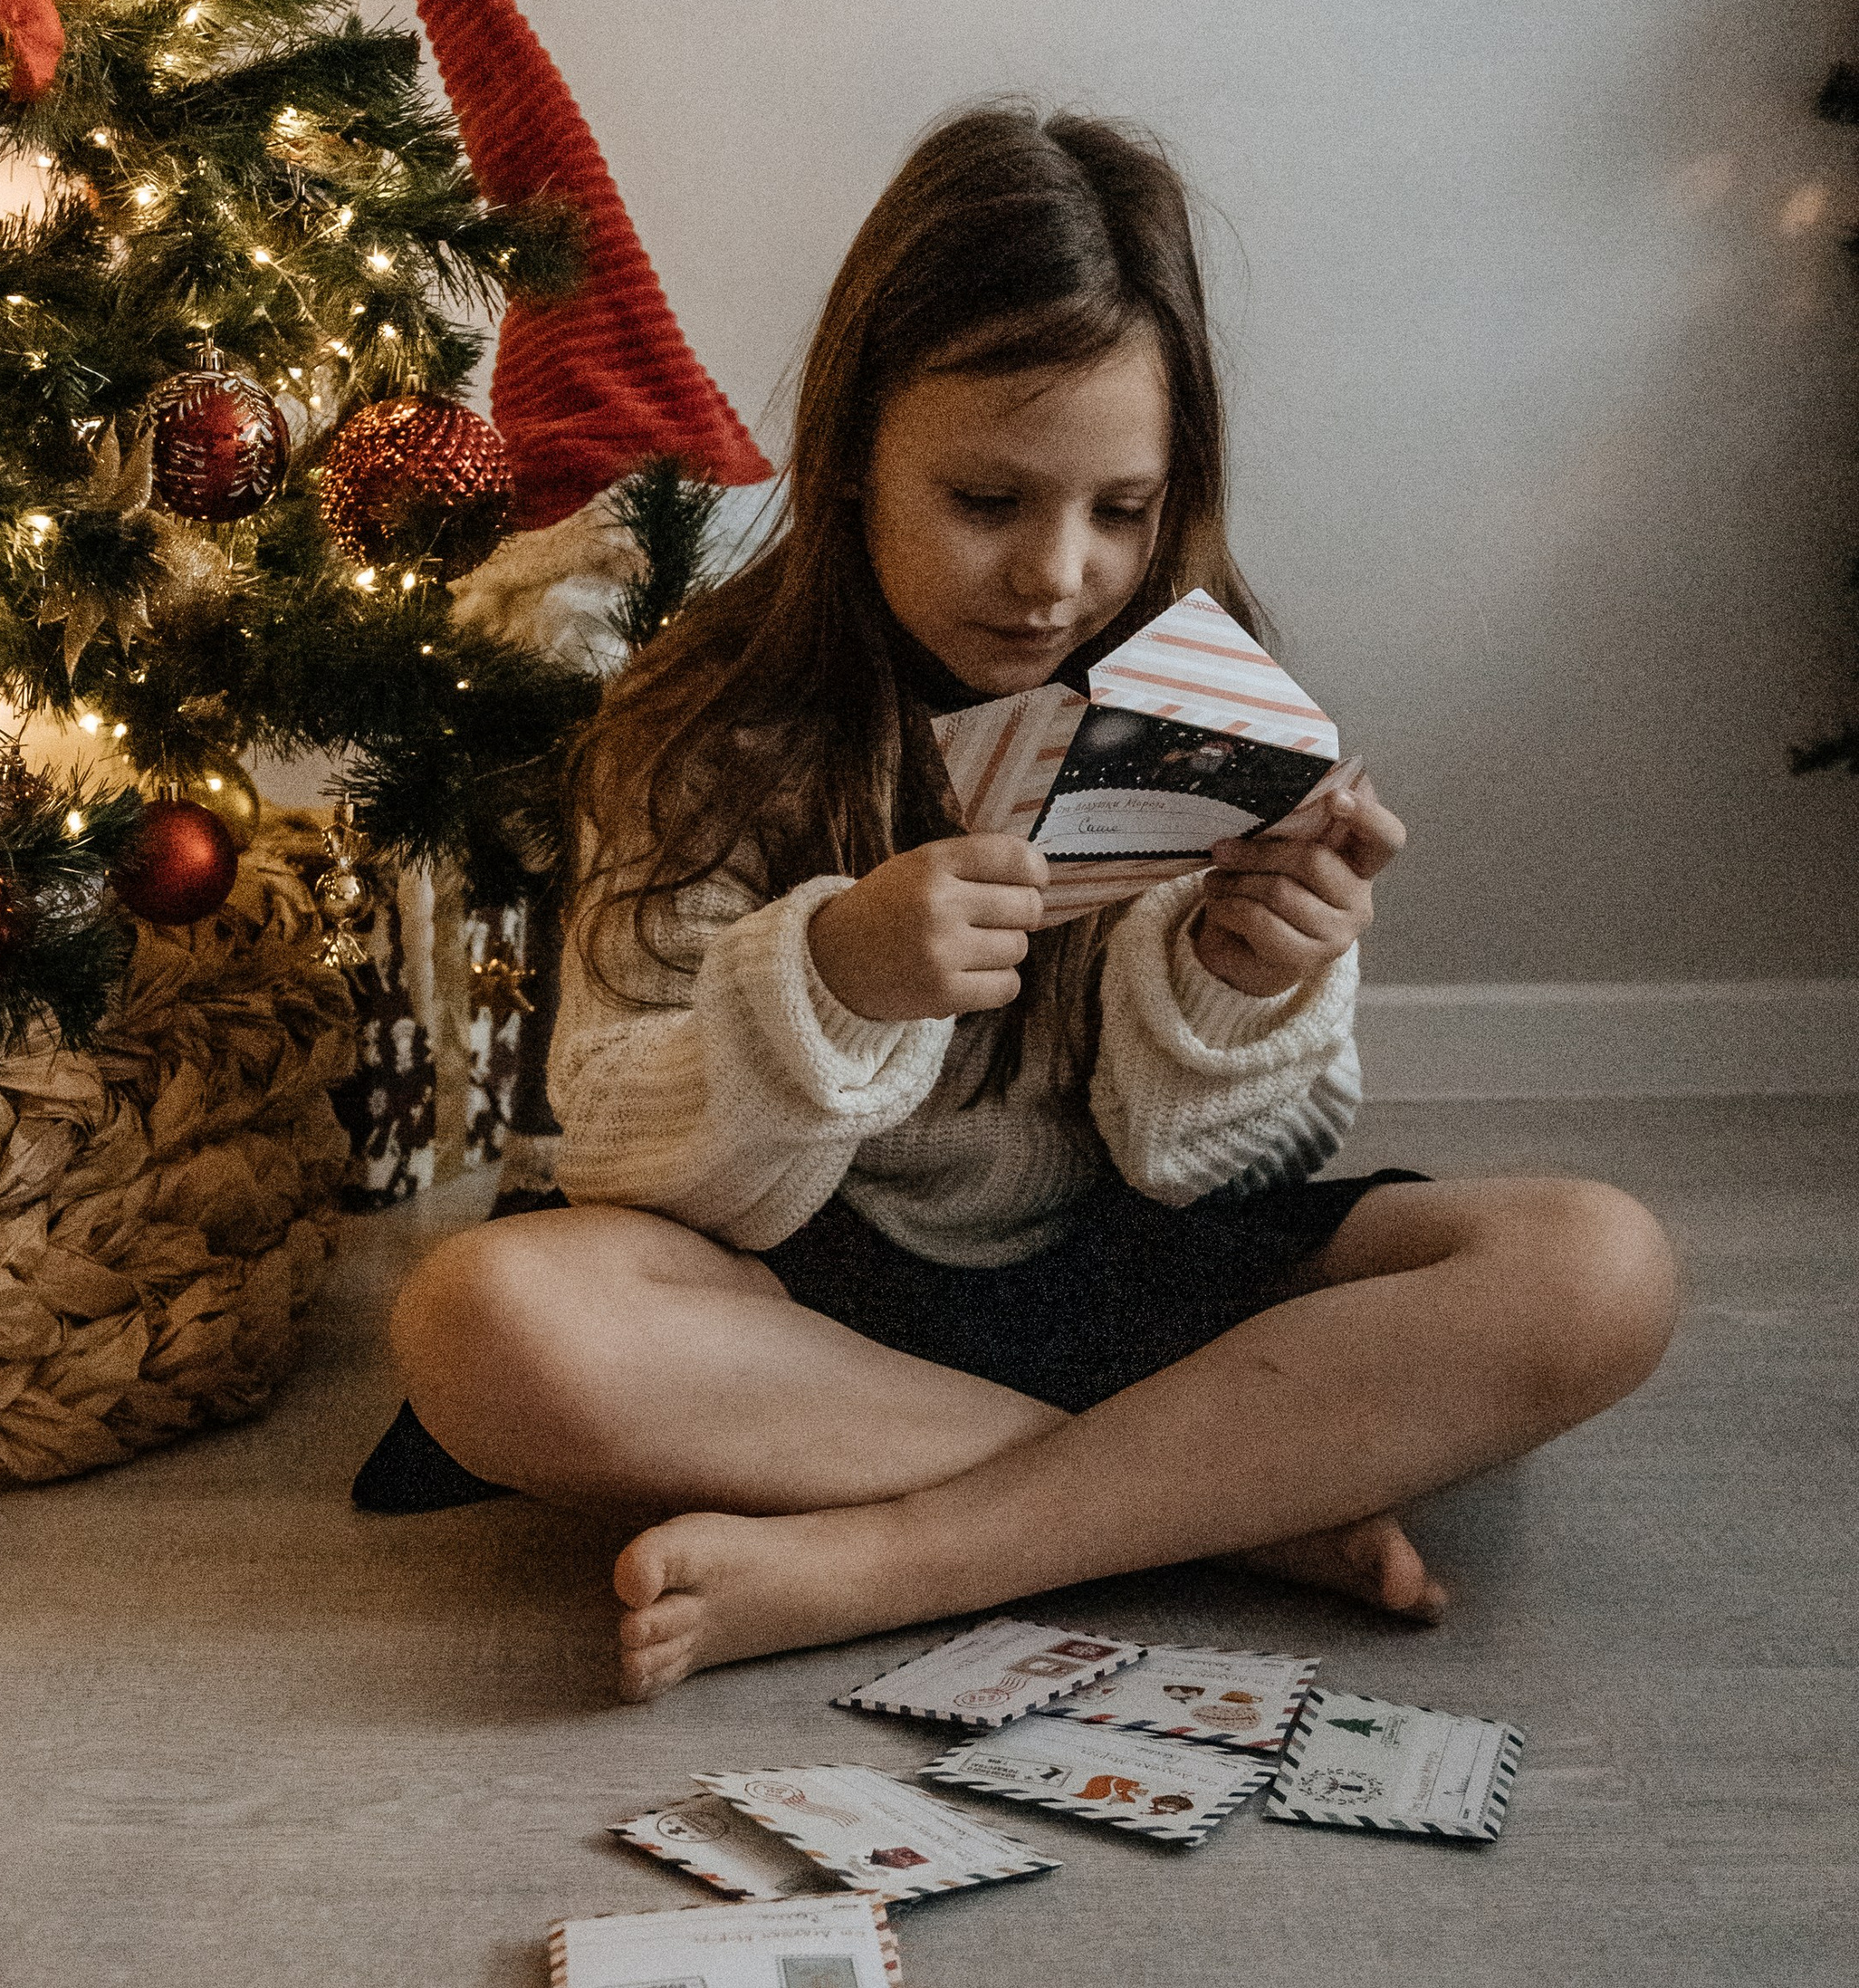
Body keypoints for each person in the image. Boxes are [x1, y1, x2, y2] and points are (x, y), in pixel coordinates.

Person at [389, 105, 1679, 1698]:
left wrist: (1238, 986)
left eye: (1119, 511)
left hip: (1135, 1271)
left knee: (1600, 1266)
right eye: (989, 502)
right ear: (855, 449)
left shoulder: (1200, 701)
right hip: (808, 1311)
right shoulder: (701, 722)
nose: (1057, 575)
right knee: (476, 1320)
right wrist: (836, 976)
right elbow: (617, 1148)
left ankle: (895, 1558)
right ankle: (1214, 1502)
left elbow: (1217, 1170)